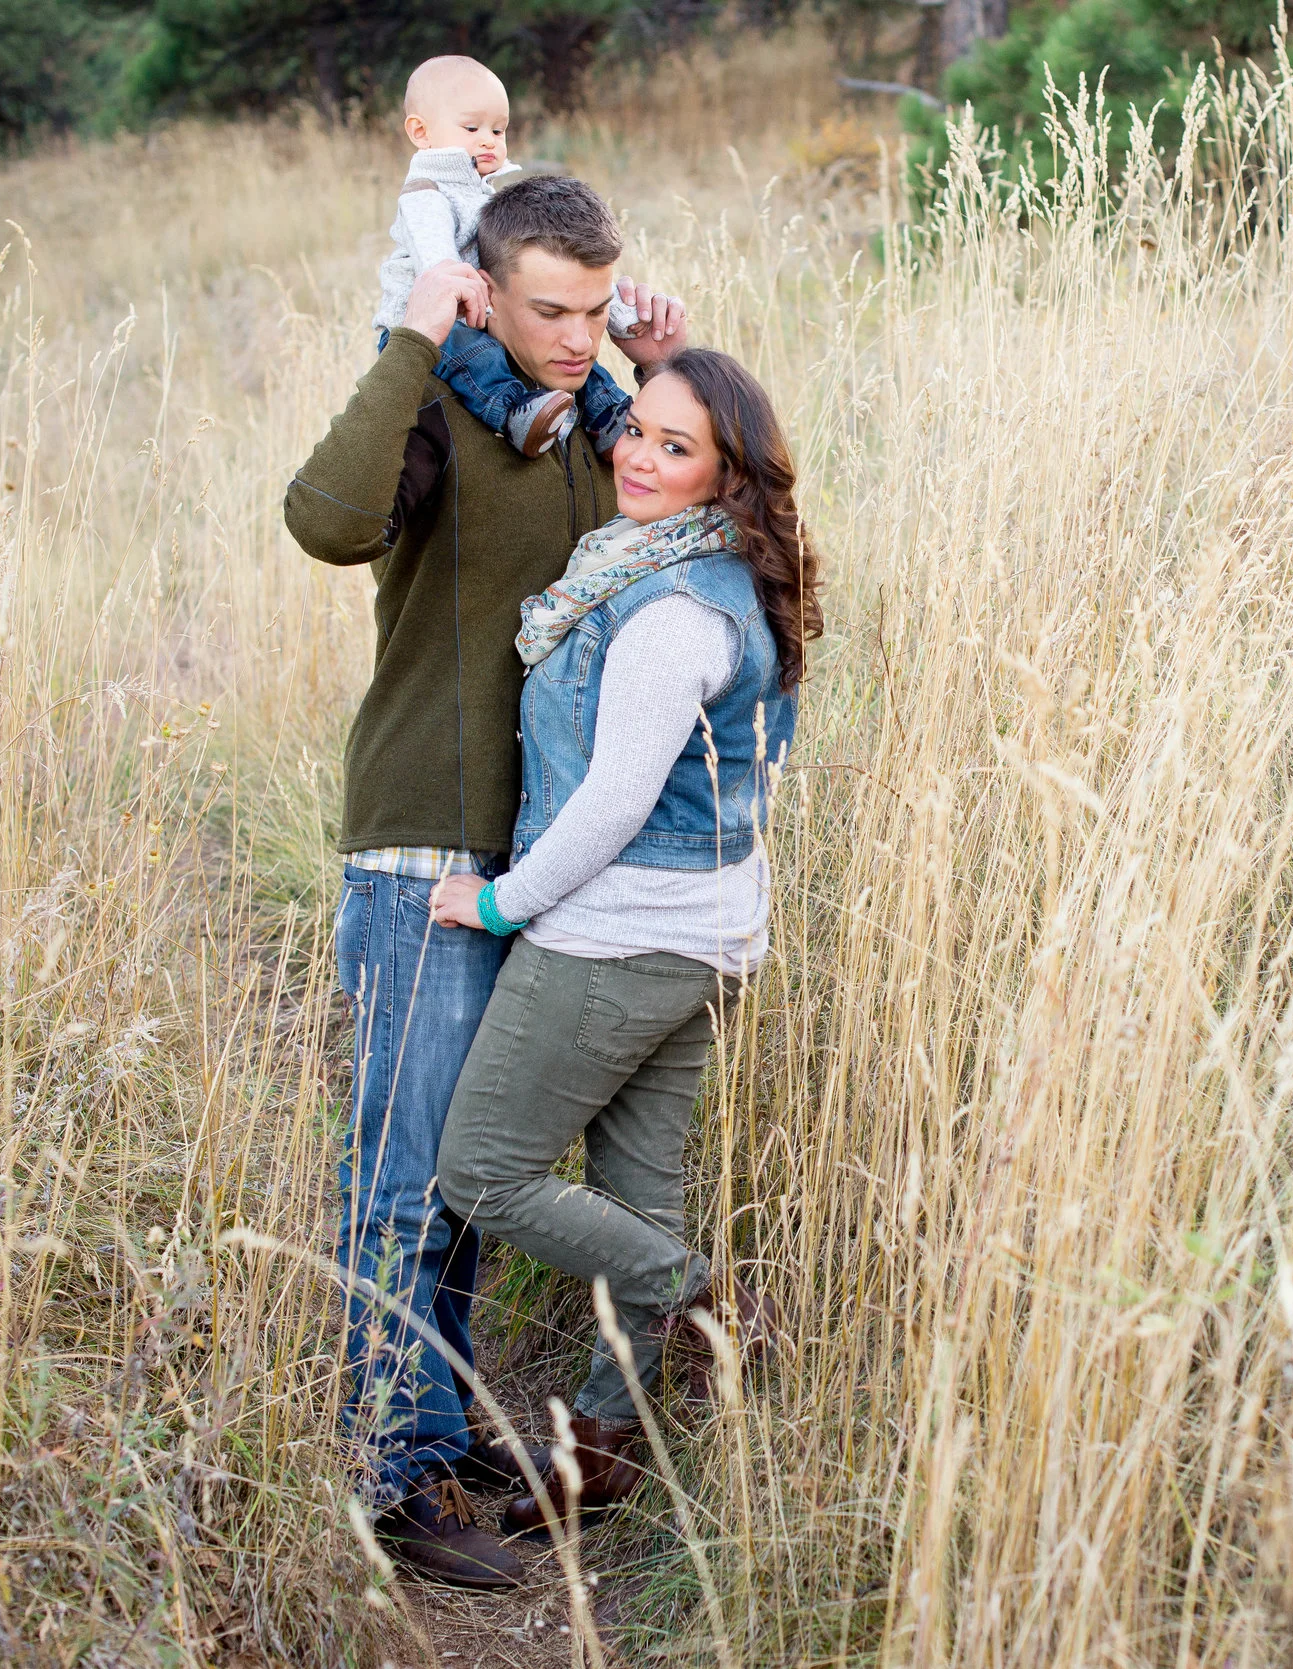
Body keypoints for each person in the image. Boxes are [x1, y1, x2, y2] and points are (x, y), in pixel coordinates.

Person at [284, 173, 687, 1590]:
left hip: (541, 864)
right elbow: (325, 522)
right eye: (549, 310)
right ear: (483, 289)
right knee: (402, 1177)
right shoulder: (441, 407)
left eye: (595, 308)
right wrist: (405, 342)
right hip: (423, 842)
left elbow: (712, 499)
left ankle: (436, 1426)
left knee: (468, 1175)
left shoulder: (591, 417)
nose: (575, 335)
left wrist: (665, 363)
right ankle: (387, 1477)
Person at [428, 346, 821, 1539]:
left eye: (673, 446)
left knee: (481, 1172)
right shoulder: (723, 578)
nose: (636, 457)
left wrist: (497, 905)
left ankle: (692, 1301)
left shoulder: (667, 616)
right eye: (635, 431)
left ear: (726, 476)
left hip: (617, 938)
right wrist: (652, 360)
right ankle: (600, 1459)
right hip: (703, 941)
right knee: (639, 1195)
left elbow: (609, 802)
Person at [374, 55, 642, 459]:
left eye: (498, 130)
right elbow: (437, 262)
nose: (488, 140)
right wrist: (452, 285)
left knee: (578, 360)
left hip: (472, 312)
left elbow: (558, 271)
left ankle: (608, 420)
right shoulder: (425, 194)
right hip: (427, 324)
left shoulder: (485, 192)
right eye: (472, 128)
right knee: (481, 357)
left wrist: (622, 317)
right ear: (420, 132)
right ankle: (515, 413)